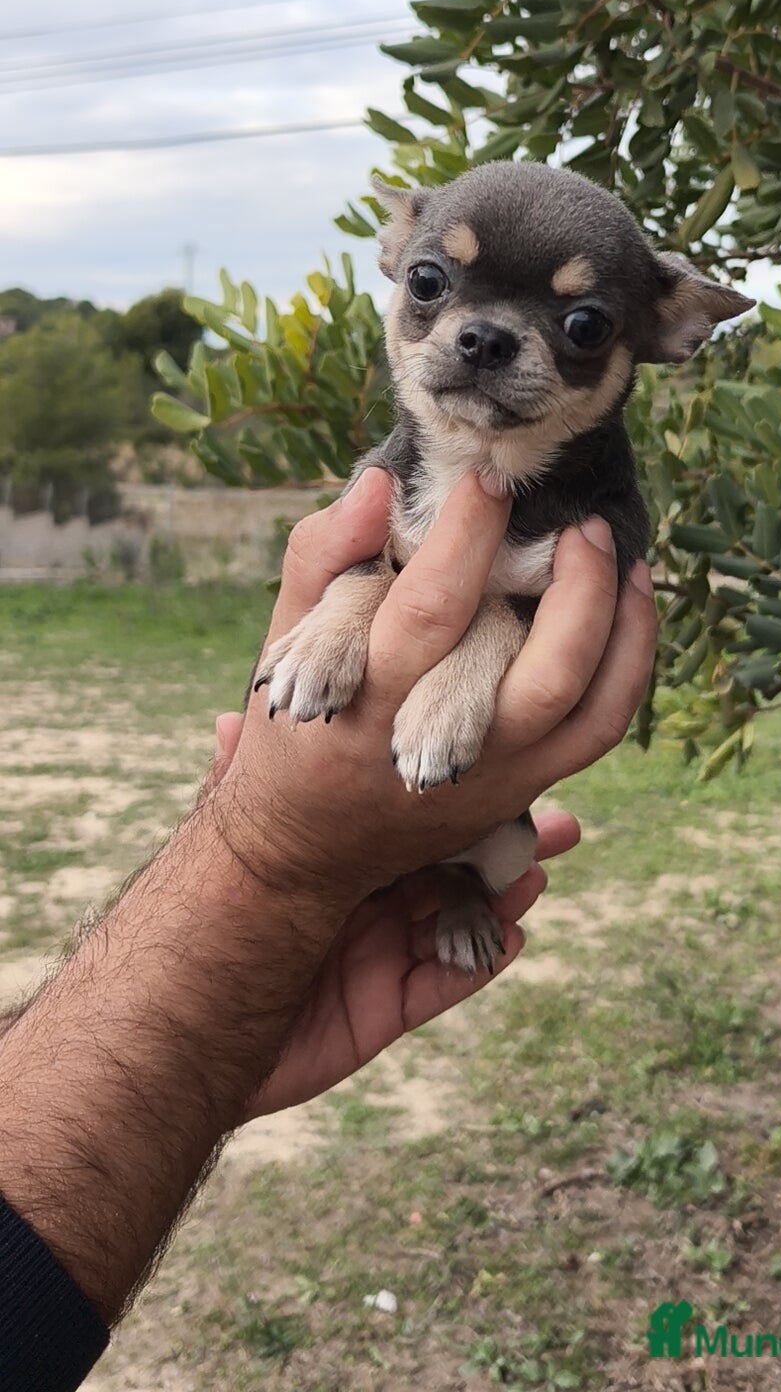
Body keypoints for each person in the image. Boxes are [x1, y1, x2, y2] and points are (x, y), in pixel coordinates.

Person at [0, 465, 657, 1392]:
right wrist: (265, 859)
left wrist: (260, 881)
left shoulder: (586, 505)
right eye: (429, 302)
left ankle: (460, 890)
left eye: (583, 325)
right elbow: (367, 569)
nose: (475, 336)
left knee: (508, 857)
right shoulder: (402, 482)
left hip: (473, 832)